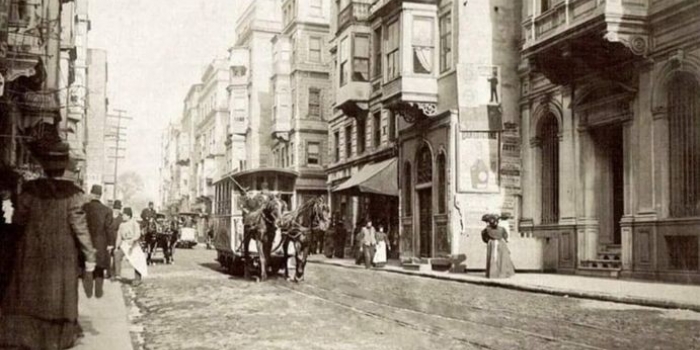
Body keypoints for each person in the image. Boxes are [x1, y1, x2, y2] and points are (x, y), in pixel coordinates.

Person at [0, 140, 97, 350]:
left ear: (43, 166)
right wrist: (90, 257)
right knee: (57, 297)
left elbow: (18, 222)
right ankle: (54, 340)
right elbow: (80, 228)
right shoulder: (73, 194)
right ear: (64, 167)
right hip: (62, 256)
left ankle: (29, 339)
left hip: (31, 252)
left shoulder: (29, 191)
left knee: (31, 294)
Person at [82, 184, 113, 298]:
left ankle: (88, 292)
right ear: (100, 195)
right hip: (101, 241)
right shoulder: (107, 210)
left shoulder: (84, 207)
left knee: (87, 265)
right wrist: (110, 244)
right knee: (99, 266)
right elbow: (108, 228)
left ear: (91, 193)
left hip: (86, 240)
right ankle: (98, 292)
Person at [114, 207, 148, 286]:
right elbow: (119, 236)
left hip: (133, 244)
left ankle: (137, 279)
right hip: (125, 244)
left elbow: (137, 234)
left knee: (138, 259)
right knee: (117, 255)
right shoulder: (121, 225)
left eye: (124, 215)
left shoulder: (134, 223)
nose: (122, 216)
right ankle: (117, 274)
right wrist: (116, 247)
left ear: (129, 216)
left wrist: (133, 240)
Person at [481, 213, 515, 279]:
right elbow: (506, 236)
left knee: (494, 257)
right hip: (501, 243)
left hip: (493, 243)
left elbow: (484, 237)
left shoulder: (486, 230)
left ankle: (493, 274)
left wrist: (488, 241)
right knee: (502, 258)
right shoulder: (502, 229)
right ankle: (502, 273)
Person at [108, 200, 124, 280]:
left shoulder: (121, 218)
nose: (117, 210)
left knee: (115, 255)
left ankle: (113, 273)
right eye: (115, 209)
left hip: (117, 237)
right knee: (108, 255)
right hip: (109, 237)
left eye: (118, 209)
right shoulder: (109, 215)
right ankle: (108, 272)